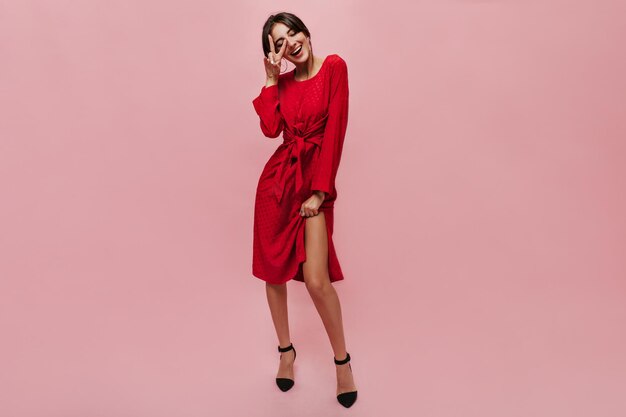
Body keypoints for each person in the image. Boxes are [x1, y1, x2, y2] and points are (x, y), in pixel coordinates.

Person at [251, 12, 357, 408]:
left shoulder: (333, 67)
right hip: (278, 186)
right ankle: (285, 352)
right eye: (278, 43)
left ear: (306, 32)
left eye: (292, 32)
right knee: (272, 272)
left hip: (312, 184)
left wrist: (320, 193)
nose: (290, 43)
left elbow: (336, 130)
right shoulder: (281, 84)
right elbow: (268, 129)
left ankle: (342, 362)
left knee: (316, 280)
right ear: (273, 53)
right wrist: (269, 79)